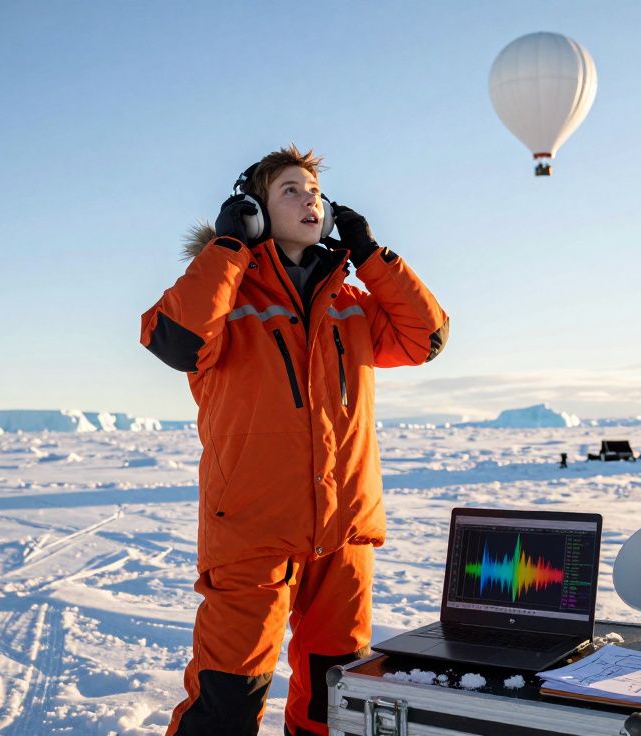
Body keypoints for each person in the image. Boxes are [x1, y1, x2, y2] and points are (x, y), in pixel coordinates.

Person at [139, 144, 448, 735]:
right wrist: (229, 246)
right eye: (289, 190)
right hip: (253, 531)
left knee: (336, 697)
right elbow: (177, 342)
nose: (308, 199)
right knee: (227, 695)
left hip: (343, 531)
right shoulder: (225, 298)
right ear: (253, 210)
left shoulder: (351, 303)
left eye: (314, 191)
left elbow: (425, 338)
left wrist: (372, 254)